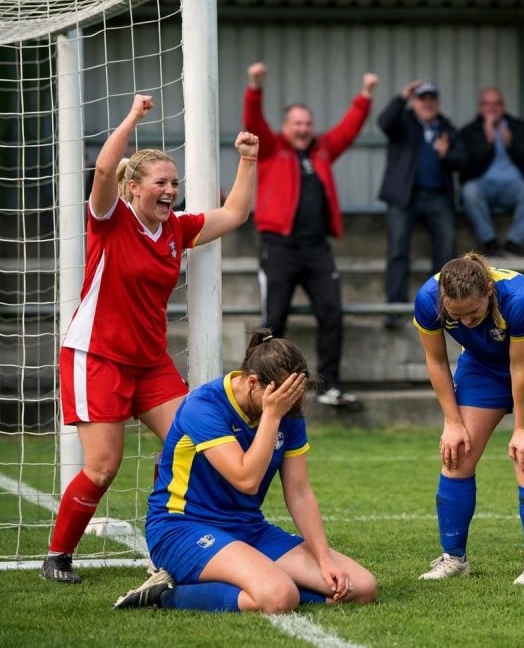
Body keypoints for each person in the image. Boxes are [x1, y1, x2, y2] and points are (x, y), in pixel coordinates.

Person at [44, 95, 260, 583]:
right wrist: (134, 117)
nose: (170, 190)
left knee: (194, 442)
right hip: (95, 355)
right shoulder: (111, 218)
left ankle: (177, 543)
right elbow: (102, 173)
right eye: (161, 183)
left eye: (175, 183)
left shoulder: (175, 231)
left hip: (149, 362)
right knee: (102, 467)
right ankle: (58, 555)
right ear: (134, 188)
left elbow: (235, 214)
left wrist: (248, 159)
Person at [113, 330, 377, 612]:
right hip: (182, 528)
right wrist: (272, 416)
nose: (290, 405)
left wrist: (324, 560)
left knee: (360, 587)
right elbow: (246, 479)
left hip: (249, 528)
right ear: (252, 382)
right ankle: (165, 595)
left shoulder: (284, 408)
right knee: (279, 596)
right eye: (282, 396)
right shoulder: (203, 407)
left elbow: (299, 492)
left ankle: (263, 581)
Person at [413, 253, 524, 585]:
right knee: (458, 455)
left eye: (473, 312)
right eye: (456, 315)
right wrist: (452, 422)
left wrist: (523, 428)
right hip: (482, 364)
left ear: (488, 290)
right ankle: (454, 558)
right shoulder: (427, 299)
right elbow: (436, 360)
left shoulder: (520, 299)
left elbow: (521, 367)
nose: (467, 322)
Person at [244, 61, 378, 408]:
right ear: (286, 126)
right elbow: (254, 123)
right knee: (273, 320)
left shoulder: (321, 150)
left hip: (317, 248)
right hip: (279, 246)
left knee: (331, 312)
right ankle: (264, 388)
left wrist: (365, 96)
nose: (303, 129)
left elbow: (348, 130)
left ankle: (329, 385)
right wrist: (255, 88)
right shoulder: (273, 148)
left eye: (307, 123)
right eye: (297, 123)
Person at [378, 79, 461, 329]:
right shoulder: (403, 122)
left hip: (438, 196)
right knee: (397, 251)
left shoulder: (446, 128)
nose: (427, 104)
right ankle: (394, 308)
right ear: (414, 103)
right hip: (405, 196)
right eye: (422, 99)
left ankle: (444, 308)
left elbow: (464, 161)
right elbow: (384, 122)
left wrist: (448, 155)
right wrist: (401, 97)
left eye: (431, 100)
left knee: (446, 253)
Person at [455, 87, 524, 256]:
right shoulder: (470, 130)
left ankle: (513, 244)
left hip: (513, 186)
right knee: (469, 191)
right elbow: (466, 165)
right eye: (487, 104)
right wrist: (487, 141)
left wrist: (511, 143)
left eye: (496, 104)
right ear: (480, 108)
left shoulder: (517, 126)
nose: (492, 109)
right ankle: (490, 243)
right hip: (483, 185)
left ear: (503, 106)